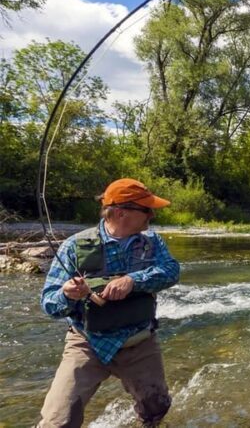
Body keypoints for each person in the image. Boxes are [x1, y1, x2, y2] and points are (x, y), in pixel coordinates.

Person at [38, 178, 180, 427]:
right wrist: (67, 295)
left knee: (156, 410)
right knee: (57, 421)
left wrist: (132, 281)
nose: (152, 214)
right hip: (87, 343)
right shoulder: (74, 246)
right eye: (146, 209)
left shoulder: (152, 242)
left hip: (139, 342)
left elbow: (171, 272)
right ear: (121, 212)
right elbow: (49, 304)